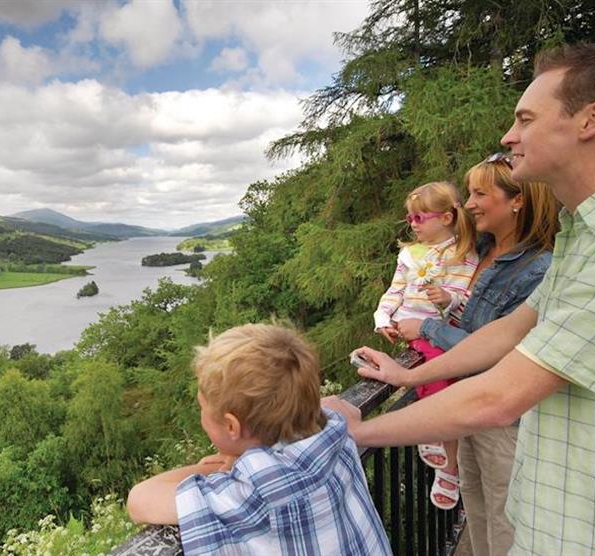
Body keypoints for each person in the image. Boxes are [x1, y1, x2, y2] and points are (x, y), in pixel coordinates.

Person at [323, 40, 595, 555]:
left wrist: (357, 432)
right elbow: (513, 329)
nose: (510, 136)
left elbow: (501, 393)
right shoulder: (591, 233)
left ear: (592, 119)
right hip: (564, 519)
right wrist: (409, 375)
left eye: (526, 119)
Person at [363, 156, 559, 555]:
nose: (468, 204)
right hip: (466, 400)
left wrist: (427, 330)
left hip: (503, 415)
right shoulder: (478, 248)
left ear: (517, 200)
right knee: (478, 505)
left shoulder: (536, 267)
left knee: (507, 520)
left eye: (480, 194)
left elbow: (495, 348)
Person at [127, 323, 392, 556]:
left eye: (202, 407)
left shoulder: (253, 491)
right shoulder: (334, 432)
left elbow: (139, 500)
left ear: (232, 426)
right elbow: (330, 407)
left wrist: (216, 469)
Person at [372, 180, 478, 510]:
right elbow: (395, 290)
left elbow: (465, 303)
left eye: (419, 218)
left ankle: (442, 451)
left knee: (443, 382)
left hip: (440, 331)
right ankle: (448, 463)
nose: (413, 224)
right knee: (437, 377)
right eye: (410, 219)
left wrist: (447, 300)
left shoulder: (464, 255)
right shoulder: (408, 256)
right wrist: (383, 318)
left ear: (446, 217)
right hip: (413, 333)